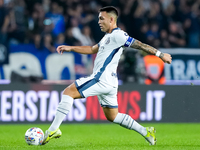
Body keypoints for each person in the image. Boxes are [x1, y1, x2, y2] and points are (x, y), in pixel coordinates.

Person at [42, 6, 172, 146]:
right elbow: (92, 49)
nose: (99, 21)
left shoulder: (118, 35)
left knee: (68, 92)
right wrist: (71, 48)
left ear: (111, 19)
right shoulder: (107, 37)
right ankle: (146, 132)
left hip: (101, 79)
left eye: (101, 18)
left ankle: (53, 130)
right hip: (110, 83)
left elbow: (139, 45)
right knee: (113, 116)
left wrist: (160, 55)